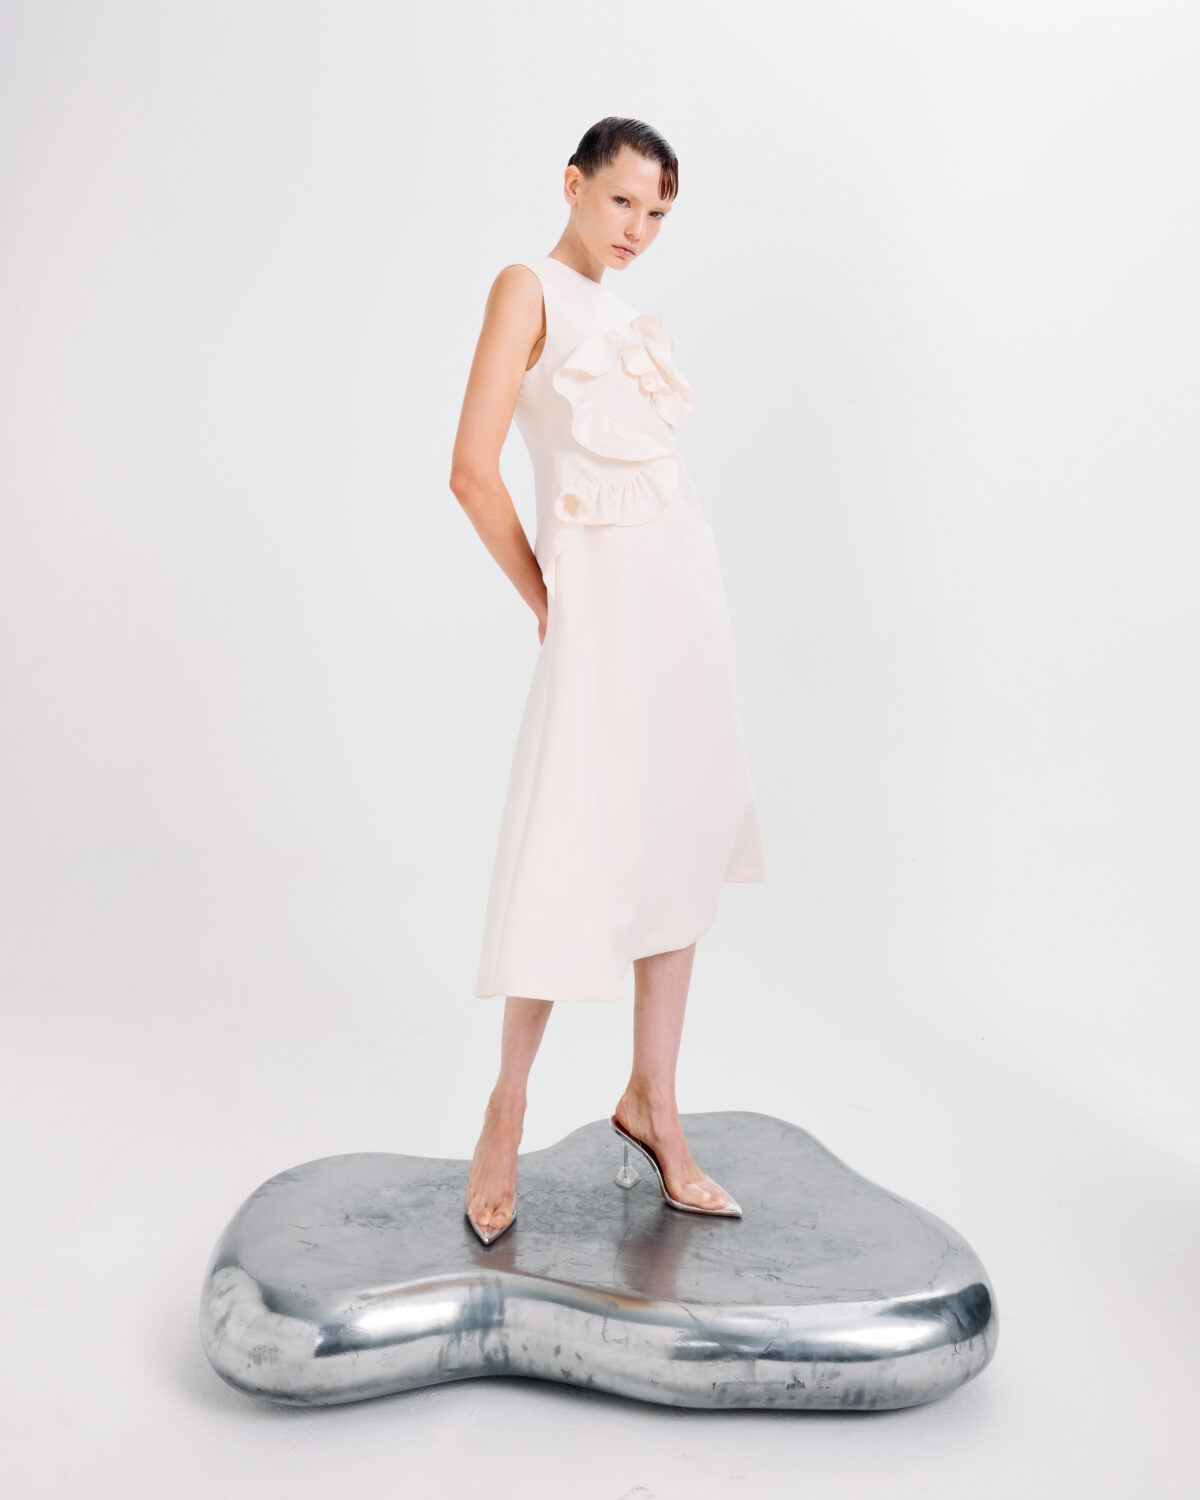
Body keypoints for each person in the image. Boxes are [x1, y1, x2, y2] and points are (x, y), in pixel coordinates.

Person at [449, 117, 765, 1245]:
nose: (638, 228)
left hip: (682, 599)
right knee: (569, 840)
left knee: (679, 834)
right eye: (624, 200)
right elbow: (472, 471)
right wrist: (545, 597)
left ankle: (653, 1102)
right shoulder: (526, 287)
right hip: (599, 608)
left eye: (659, 214)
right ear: (573, 183)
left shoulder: (625, 319)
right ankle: (508, 1105)